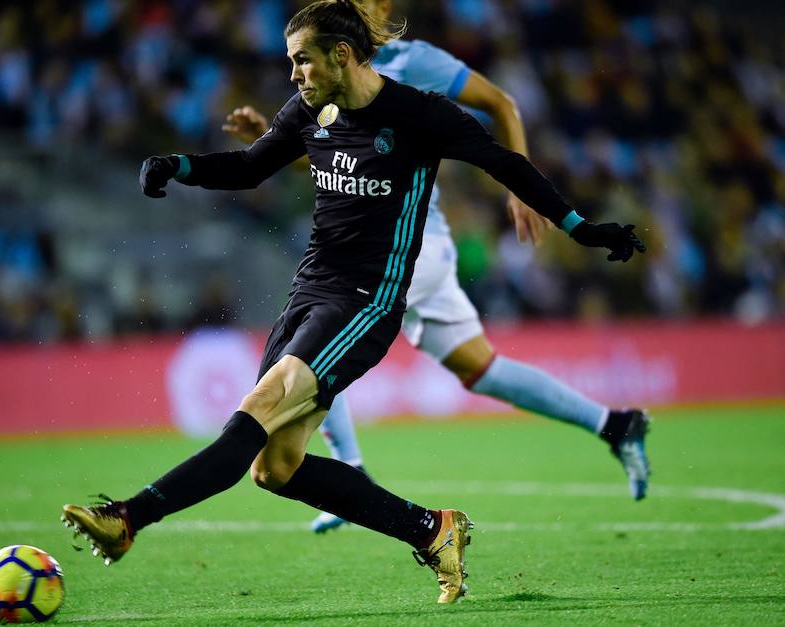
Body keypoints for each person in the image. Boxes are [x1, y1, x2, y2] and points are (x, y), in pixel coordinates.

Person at [61, 0, 645, 604]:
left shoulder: (419, 114)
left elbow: (505, 164)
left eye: (302, 61)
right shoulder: (311, 110)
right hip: (308, 293)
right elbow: (248, 168)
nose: (294, 75)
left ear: (341, 56)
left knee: (258, 408)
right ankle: (433, 529)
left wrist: (582, 228)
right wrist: (177, 165)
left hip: (367, 303)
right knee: (274, 468)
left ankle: (128, 518)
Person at [221, 0, 652, 536]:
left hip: (410, 244)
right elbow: (347, 166)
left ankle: (347, 474)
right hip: (406, 242)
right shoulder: (329, 79)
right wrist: (274, 141)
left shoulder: (413, 60)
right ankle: (614, 423)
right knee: (479, 367)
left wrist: (521, 192)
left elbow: (501, 103)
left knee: (318, 337)